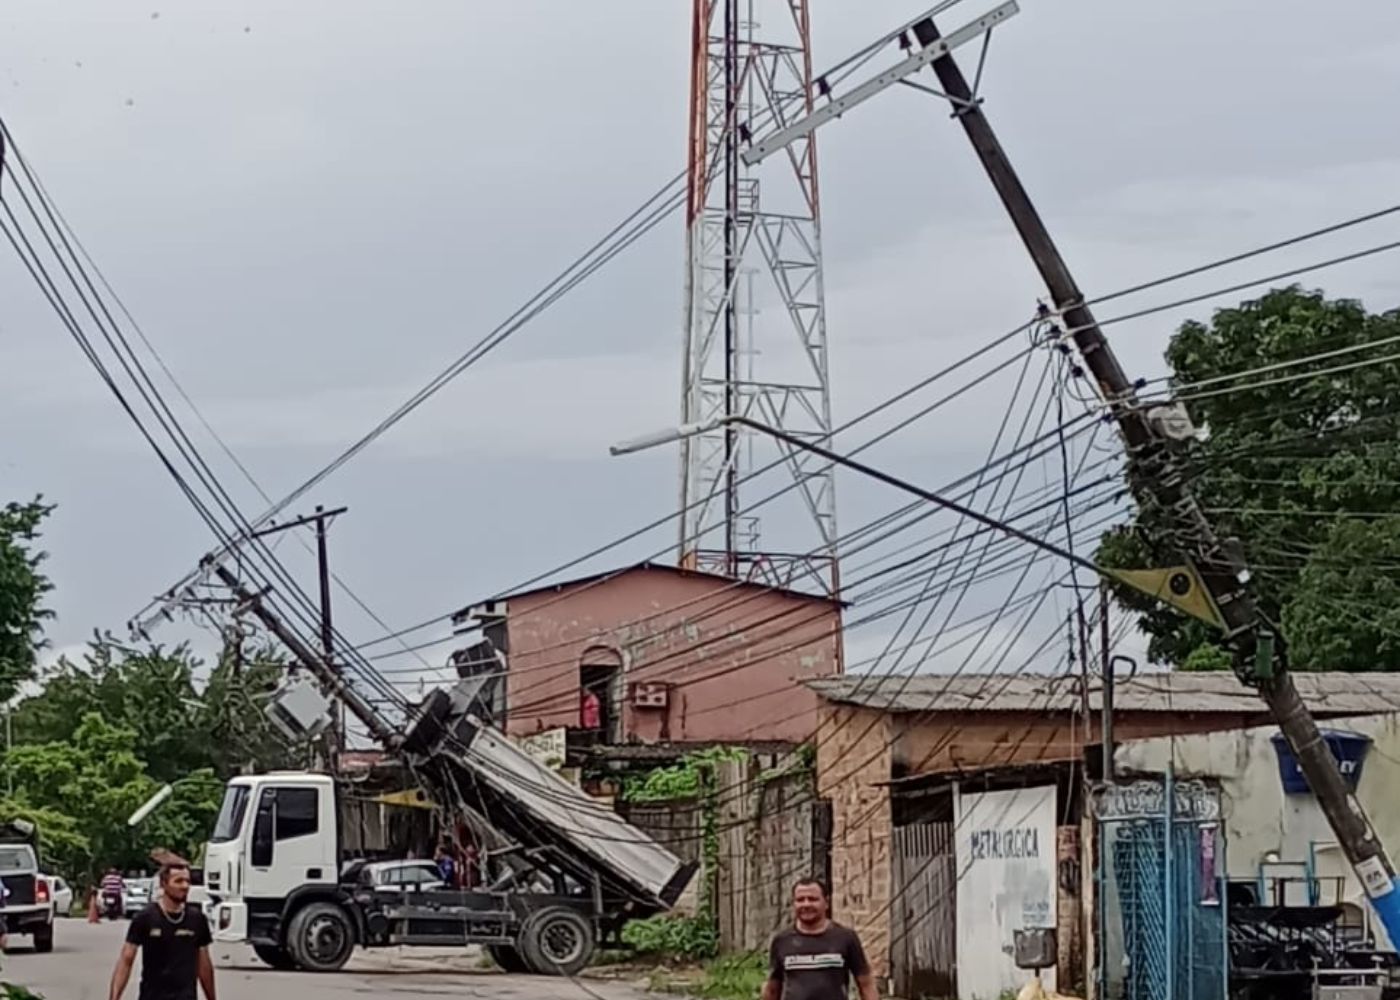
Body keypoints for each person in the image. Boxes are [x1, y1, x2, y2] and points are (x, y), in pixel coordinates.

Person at [109, 860, 216, 1000]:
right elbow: (126, 960)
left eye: (187, 881)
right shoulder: (145, 917)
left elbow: (204, 965)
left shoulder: (197, 919)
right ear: (163, 884)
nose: (185, 886)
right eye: (178, 881)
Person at [762, 878, 877, 1000]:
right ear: (793, 904)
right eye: (800, 900)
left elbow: (866, 983)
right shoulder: (782, 941)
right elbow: (773, 988)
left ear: (826, 902)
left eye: (813, 899)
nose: (806, 904)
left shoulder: (845, 937)